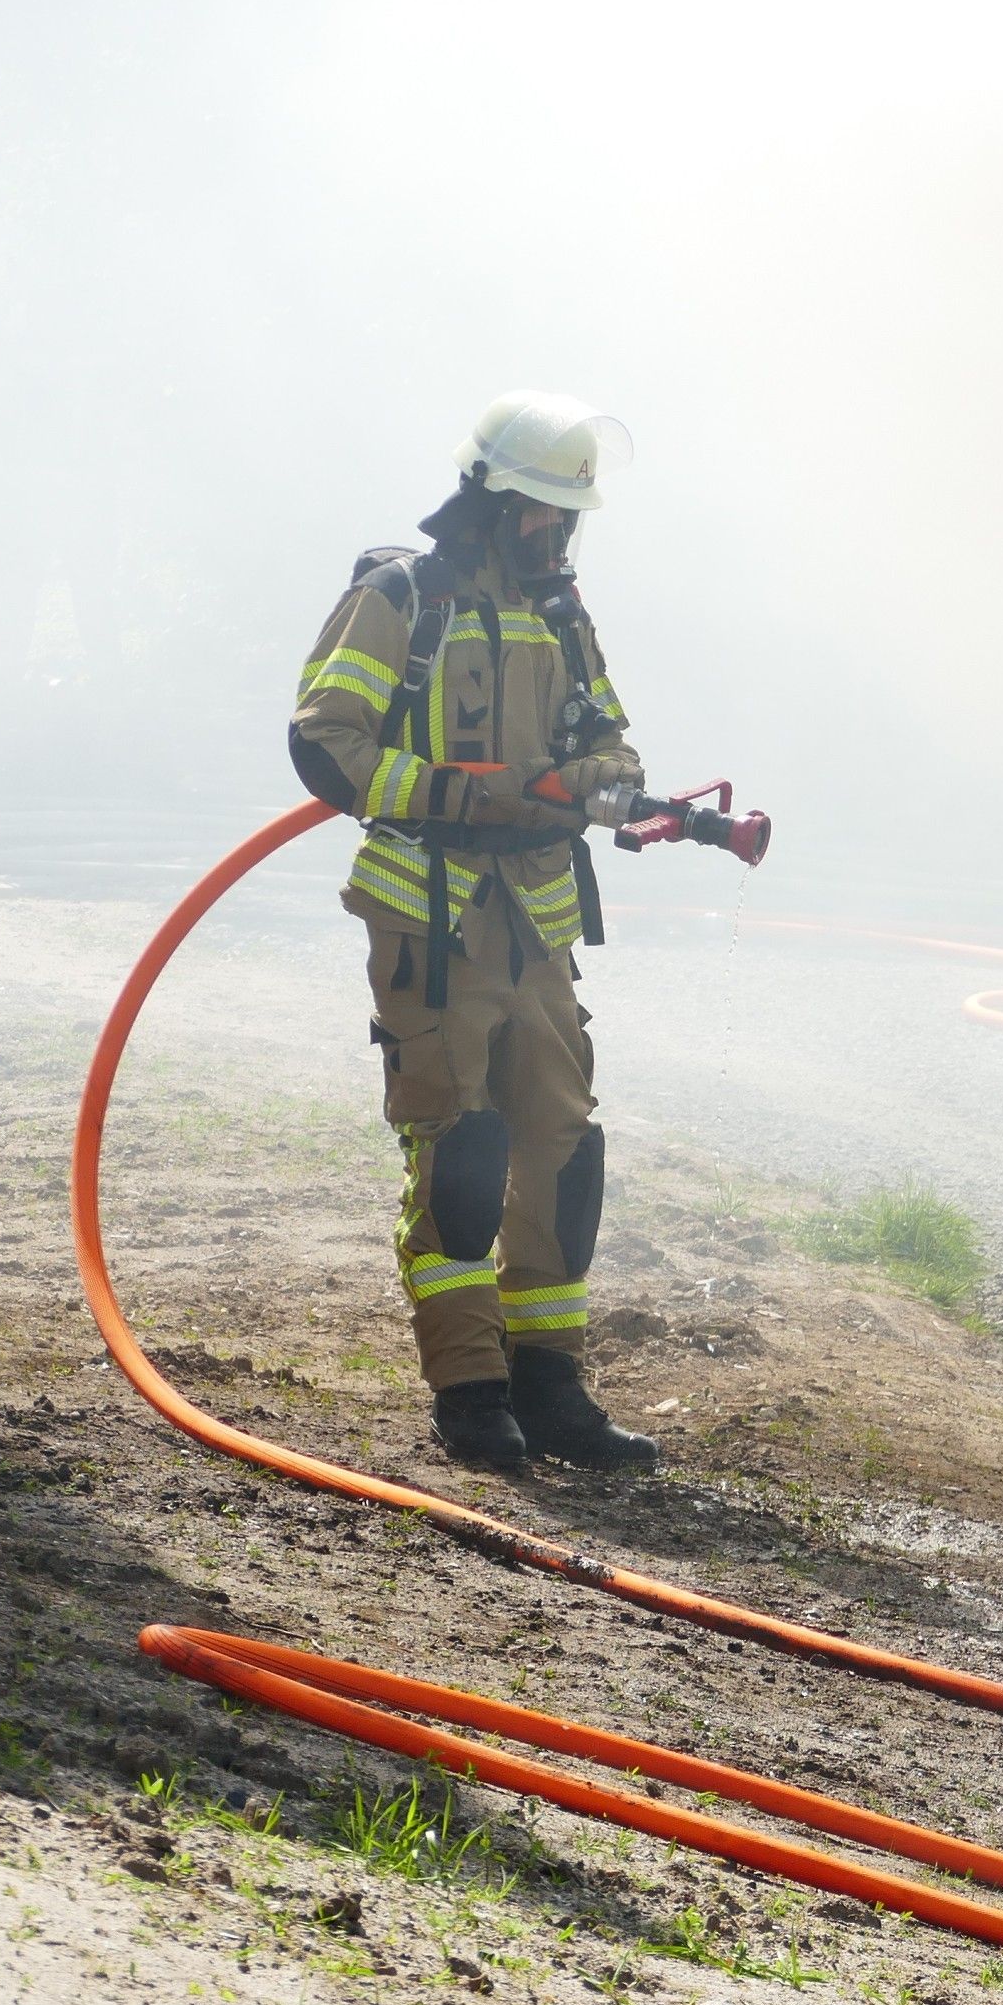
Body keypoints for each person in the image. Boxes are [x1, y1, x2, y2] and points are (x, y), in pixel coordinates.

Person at [286, 392, 660, 1473]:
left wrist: (609, 778)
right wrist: (464, 793)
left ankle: (551, 1387)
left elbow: (608, 732)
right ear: (491, 500)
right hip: (429, 916)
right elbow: (326, 742)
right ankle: (470, 1392)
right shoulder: (402, 597)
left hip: (537, 921)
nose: (556, 533)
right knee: (461, 1153)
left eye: (567, 516)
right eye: (540, 513)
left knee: (561, 1148)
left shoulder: (561, 609)